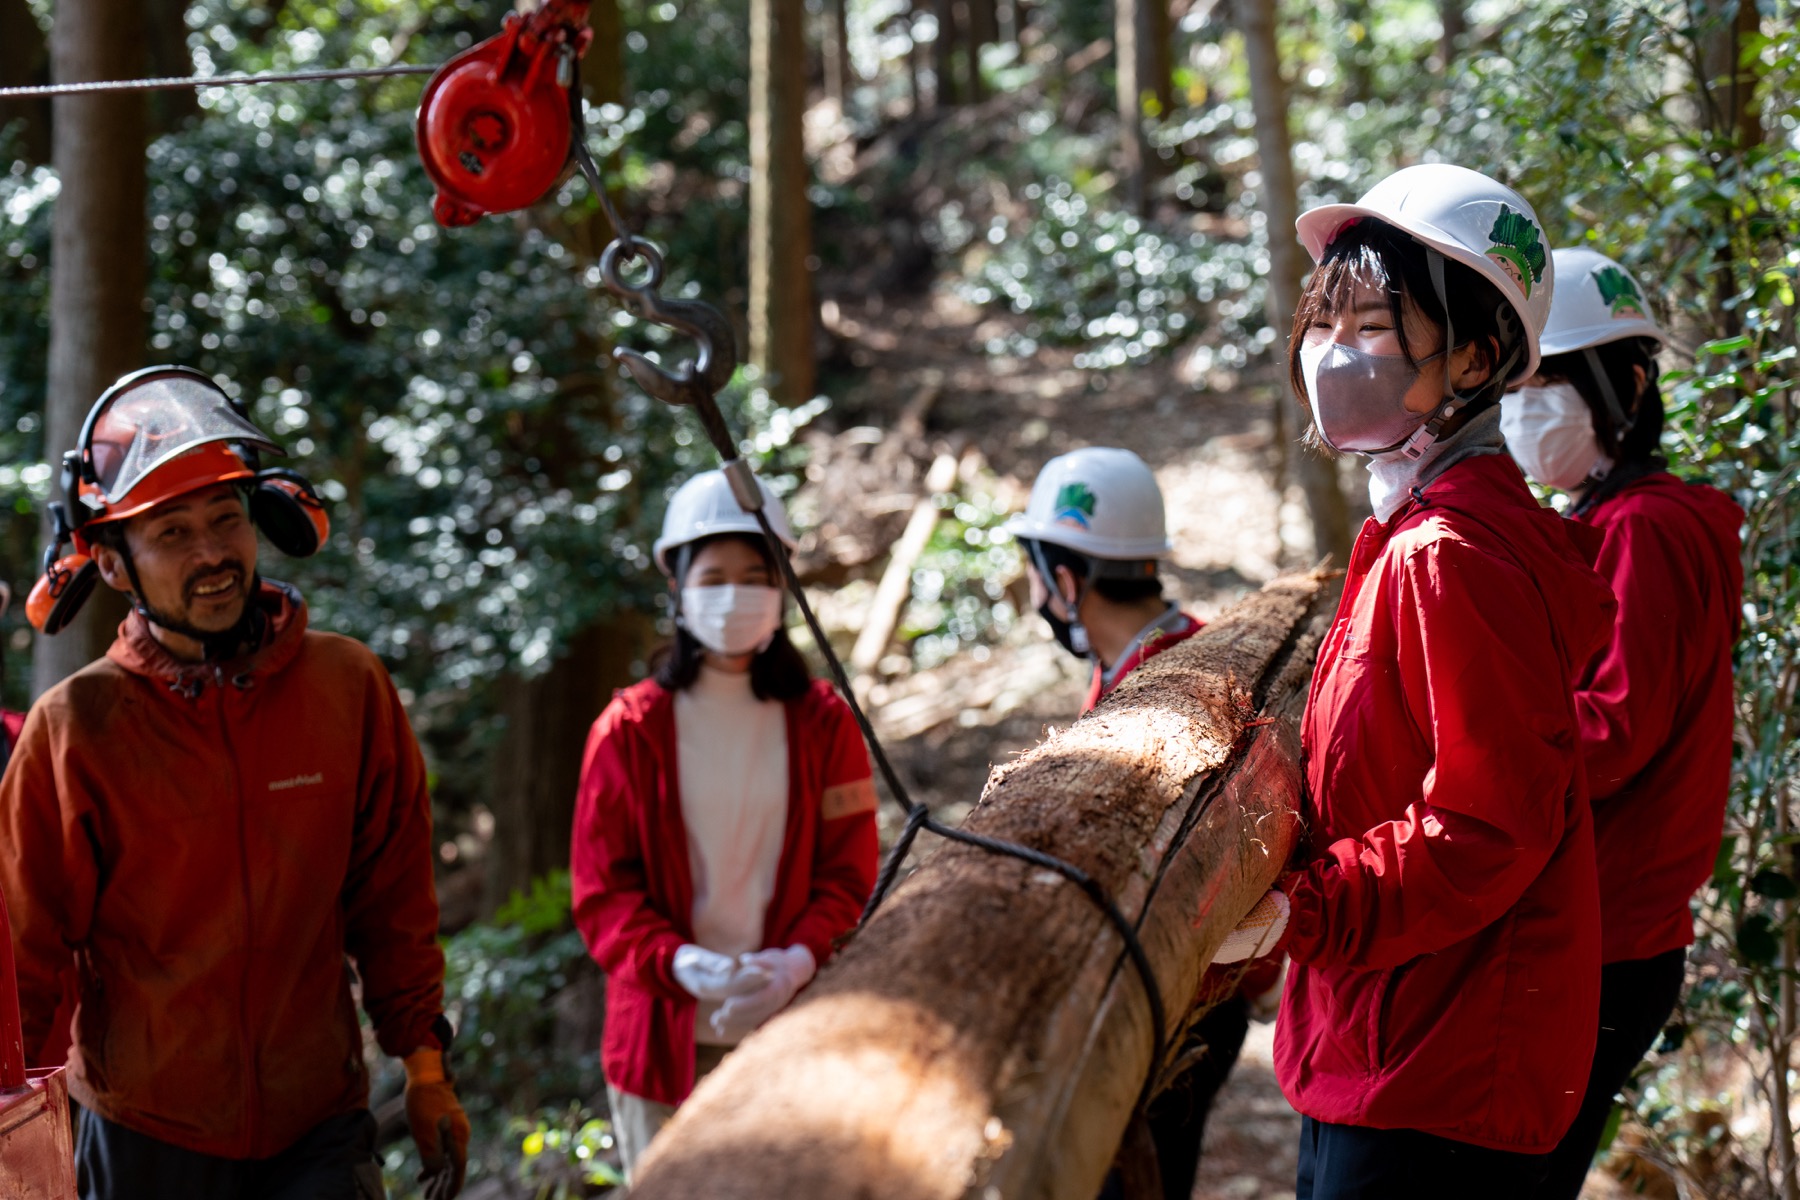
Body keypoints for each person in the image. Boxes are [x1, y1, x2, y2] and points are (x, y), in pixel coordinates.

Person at [1211, 165, 1619, 1199]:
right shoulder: (1419, 530)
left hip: (1437, 1065)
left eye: (1372, 327)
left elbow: (1485, 823)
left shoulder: (1452, 553)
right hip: (1388, 1032)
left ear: (1476, 357)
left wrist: (1309, 910)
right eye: (1324, 320)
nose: (1332, 352)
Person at [0, 365, 468, 1198]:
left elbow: (393, 903)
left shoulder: (346, 687)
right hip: (144, 1137)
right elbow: (25, 961)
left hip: (317, 1126)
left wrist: (425, 1068)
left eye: (226, 518)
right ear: (112, 564)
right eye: (172, 533)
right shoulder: (74, 729)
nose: (212, 553)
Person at [1499, 248, 1744, 1198]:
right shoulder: (1611, 519)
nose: (1526, 408)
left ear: (1629, 386)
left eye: (1551, 383)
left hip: (1609, 934)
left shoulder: (1645, 528)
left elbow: (1611, 732)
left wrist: (1466, 743)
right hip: (1605, 926)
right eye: (1518, 385)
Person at [570, 469, 879, 1182]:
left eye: (754, 576)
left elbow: (847, 873)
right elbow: (603, 894)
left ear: (782, 587)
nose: (734, 595)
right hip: (659, 1047)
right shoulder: (627, 732)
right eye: (713, 578)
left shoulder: (825, 723)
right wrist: (676, 961)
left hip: (791, 1035)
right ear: (676, 586)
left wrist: (798, 957)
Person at [1010, 446, 1265, 1200]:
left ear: (1065, 581)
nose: (1034, 595)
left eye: (1035, 576)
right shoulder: (1162, 654)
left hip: (1179, 1007)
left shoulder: (1166, 683)